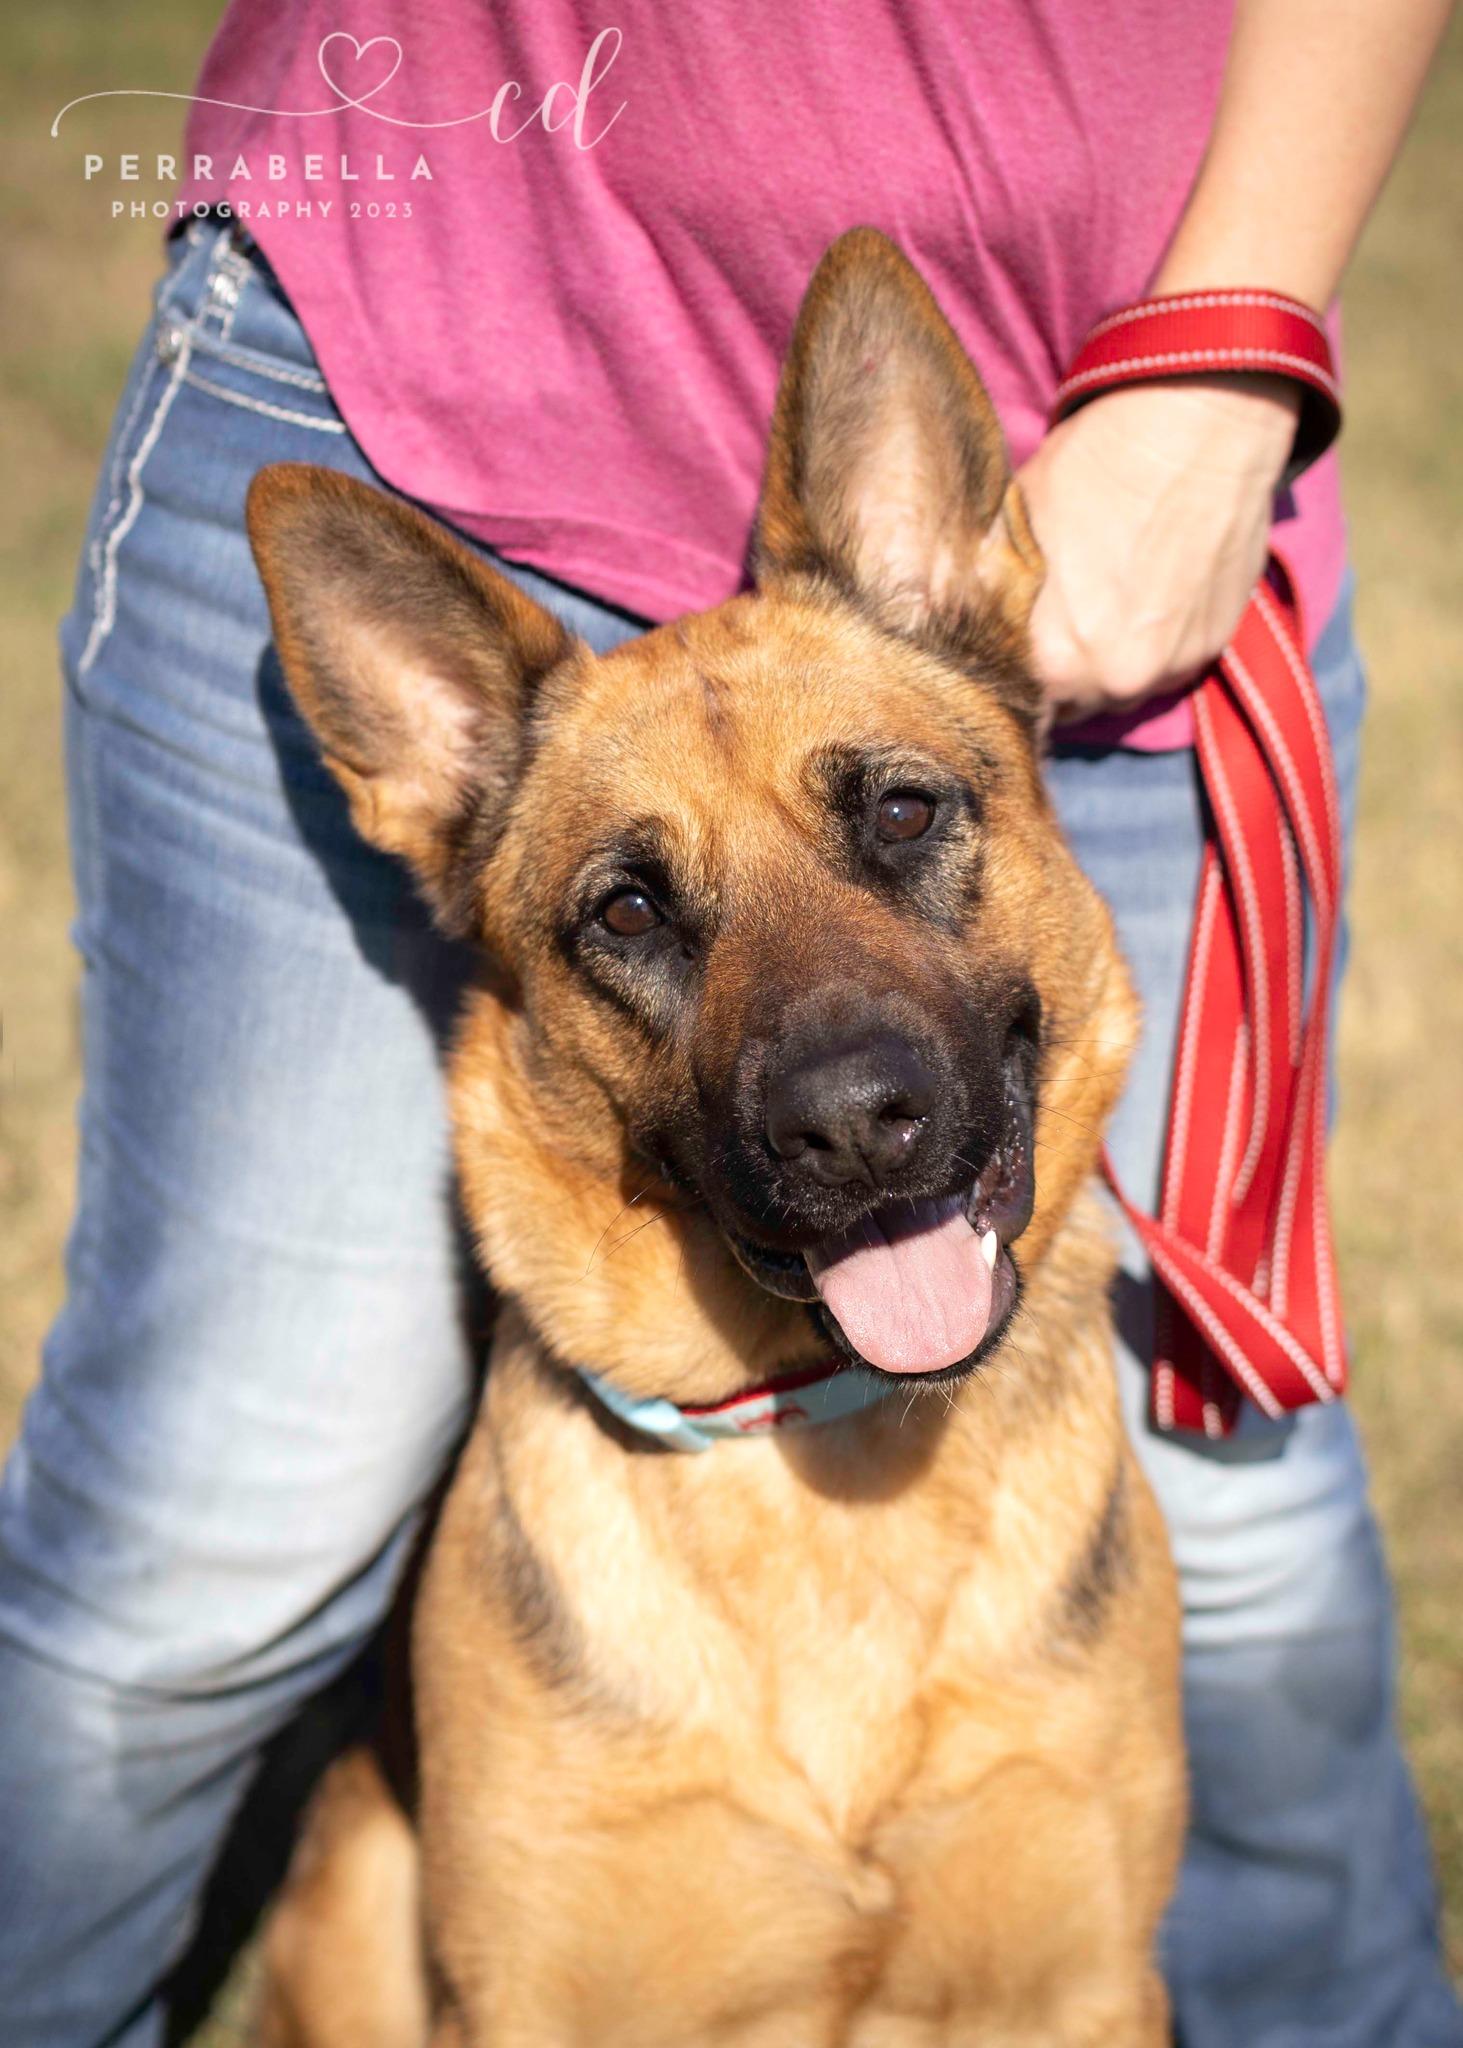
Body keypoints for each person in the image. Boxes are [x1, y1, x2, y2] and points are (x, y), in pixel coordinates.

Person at [2, 2, 1459, 2042]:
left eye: (902, 824)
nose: (851, 1087)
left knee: (1257, 1532)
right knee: (211, 1532)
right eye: (638, 917)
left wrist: (1233, 343)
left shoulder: (955, 608)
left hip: (1107, 401)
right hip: (406, 346)